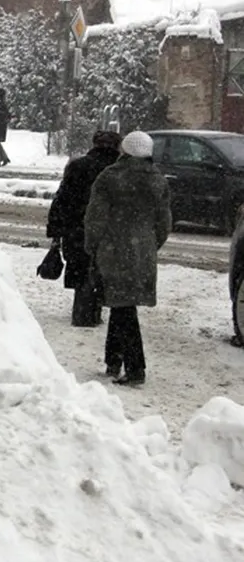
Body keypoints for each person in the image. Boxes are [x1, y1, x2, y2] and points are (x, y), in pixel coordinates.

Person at [84, 130, 172, 386]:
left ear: (125, 150)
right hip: (143, 252)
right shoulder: (158, 181)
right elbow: (164, 223)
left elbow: (95, 218)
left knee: (123, 308)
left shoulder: (110, 178)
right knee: (122, 304)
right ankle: (113, 360)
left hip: (113, 249)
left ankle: (135, 368)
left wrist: (93, 246)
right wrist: (149, 245)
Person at [46, 130, 122, 326]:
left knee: (81, 271)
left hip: (76, 229)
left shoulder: (78, 166)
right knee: (101, 271)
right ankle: (94, 310)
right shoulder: (119, 170)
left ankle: (82, 312)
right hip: (109, 232)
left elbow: (62, 199)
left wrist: (55, 230)